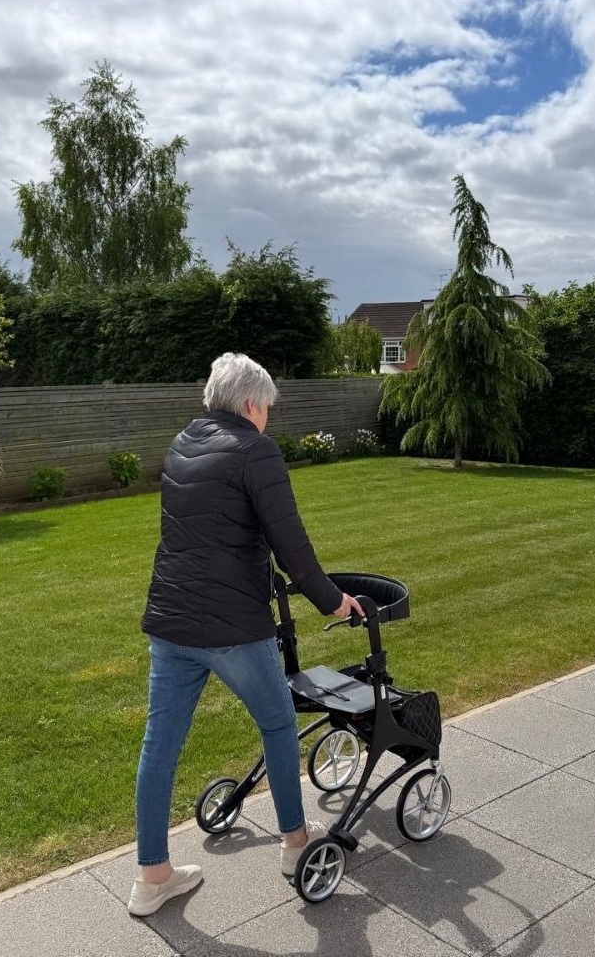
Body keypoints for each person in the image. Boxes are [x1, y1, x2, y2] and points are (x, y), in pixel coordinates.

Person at [128, 352, 364, 917]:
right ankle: (295, 845)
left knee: (159, 746)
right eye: (268, 409)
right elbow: (290, 541)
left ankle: (151, 878)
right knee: (279, 724)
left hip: (170, 622)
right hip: (231, 626)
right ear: (252, 404)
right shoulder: (256, 450)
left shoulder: (182, 444)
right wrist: (333, 601)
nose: (268, 419)